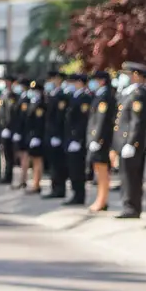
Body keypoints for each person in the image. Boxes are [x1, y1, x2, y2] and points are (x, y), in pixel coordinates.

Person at [113, 62, 146, 219]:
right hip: (123, 141)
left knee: (132, 176)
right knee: (125, 175)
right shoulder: (128, 93)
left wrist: (131, 142)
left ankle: (132, 207)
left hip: (132, 142)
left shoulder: (139, 94)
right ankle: (128, 204)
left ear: (136, 75)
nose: (126, 78)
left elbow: (137, 121)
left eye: (128, 75)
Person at [86, 70, 115, 212]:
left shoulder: (105, 96)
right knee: (98, 169)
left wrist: (97, 139)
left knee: (102, 171)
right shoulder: (99, 94)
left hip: (101, 140)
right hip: (96, 138)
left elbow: (102, 121)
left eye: (95, 80)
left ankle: (102, 200)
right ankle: (100, 198)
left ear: (102, 81)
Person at [61, 73, 89, 206]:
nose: (70, 85)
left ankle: (79, 195)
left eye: (72, 82)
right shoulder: (73, 96)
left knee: (78, 169)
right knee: (72, 169)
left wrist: (77, 139)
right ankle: (75, 193)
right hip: (70, 138)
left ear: (79, 82)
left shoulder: (85, 98)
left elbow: (82, 121)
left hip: (77, 140)